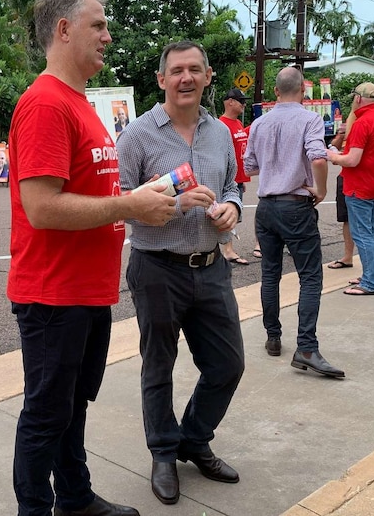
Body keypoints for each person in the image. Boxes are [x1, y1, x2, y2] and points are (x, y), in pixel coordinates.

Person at [7, 0, 176, 516]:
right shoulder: (44, 104)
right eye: (98, 25)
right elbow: (42, 207)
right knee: (45, 415)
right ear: (64, 30)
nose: (108, 35)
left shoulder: (79, 103)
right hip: (53, 294)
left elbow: (94, 191)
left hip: (84, 292)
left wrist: (151, 198)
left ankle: (75, 500)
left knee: (72, 407)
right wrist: (130, 205)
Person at [118, 41, 245, 506]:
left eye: (195, 70)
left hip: (211, 266)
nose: (185, 78)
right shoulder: (136, 136)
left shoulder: (220, 134)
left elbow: (233, 183)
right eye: (176, 71)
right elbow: (122, 205)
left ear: (208, 77)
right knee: (159, 367)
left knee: (228, 365)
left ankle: (194, 437)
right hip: (157, 269)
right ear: (161, 80)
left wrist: (232, 206)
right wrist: (172, 207)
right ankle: (163, 454)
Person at [243, 66, 344, 378]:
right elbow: (317, 156)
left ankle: (273, 337)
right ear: (303, 91)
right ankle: (306, 347)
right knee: (310, 276)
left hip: (266, 207)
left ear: (275, 91)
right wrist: (322, 189)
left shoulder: (259, 124)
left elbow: (249, 165)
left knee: (270, 274)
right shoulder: (309, 119)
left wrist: (275, 164)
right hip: (295, 205)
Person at [327, 83, 374, 295]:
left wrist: (332, 156)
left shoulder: (363, 122)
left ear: (357, 98)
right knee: (371, 230)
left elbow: (352, 160)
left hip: (360, 184)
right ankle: (373, 275)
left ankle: (371, 282)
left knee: (362, 233)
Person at [218, 87, 251, 265]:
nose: (244, 105)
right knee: (228, 214)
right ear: (230, 102)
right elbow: (222, 155)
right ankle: (227, 250)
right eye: (241, 101)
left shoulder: (237, 123)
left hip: (237, 179)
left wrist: (242, 179)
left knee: (235, 215)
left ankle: (227, 248)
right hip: (228, 180)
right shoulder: (221, 125)